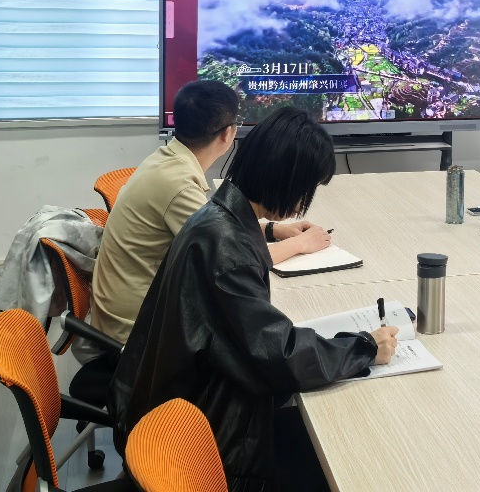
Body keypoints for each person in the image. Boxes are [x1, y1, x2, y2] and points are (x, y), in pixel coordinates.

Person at [109, 107, 398, 492]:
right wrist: (363, 347)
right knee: (350, 456)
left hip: (178, 404)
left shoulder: (218, 216)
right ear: (286, 180)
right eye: (306, 188)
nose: (304, 202)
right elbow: (278, 356)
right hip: (203, 440)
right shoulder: (227, 251)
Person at [90, 80, 332, 345]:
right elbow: (235, 260)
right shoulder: (180, 187)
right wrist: (300, 244)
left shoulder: (167, 161)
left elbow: (219, 229)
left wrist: (273, 230)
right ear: (228, 133)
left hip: (133, 309)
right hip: (135, 335)